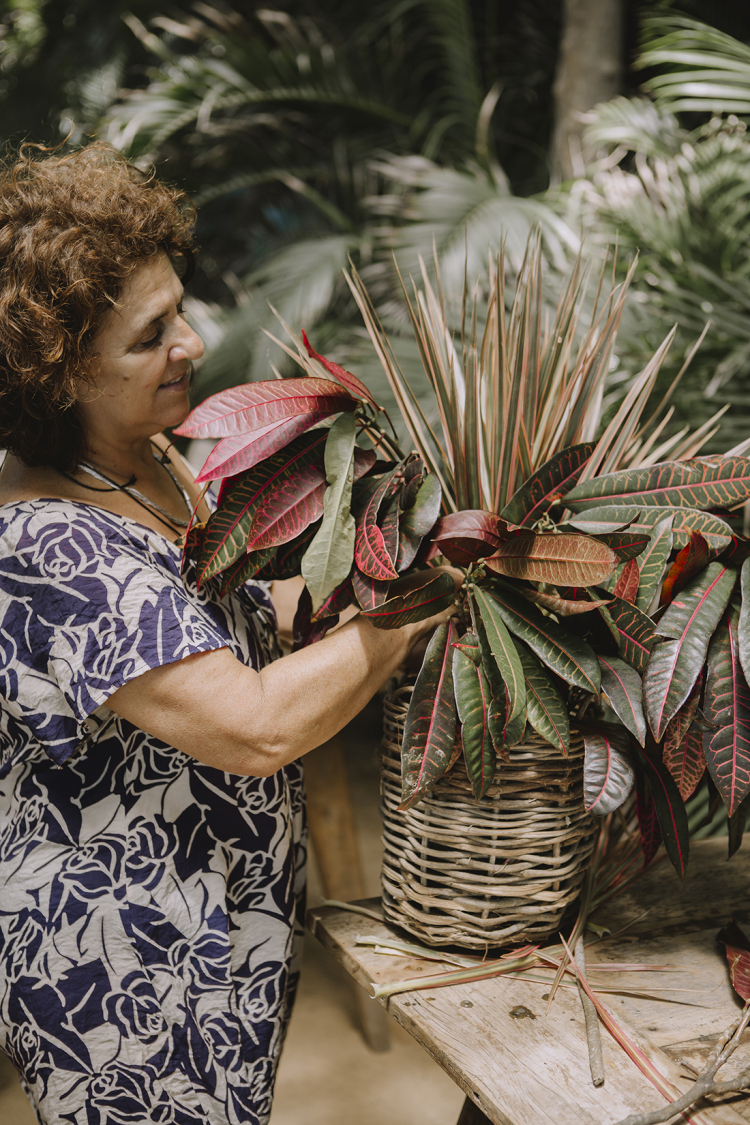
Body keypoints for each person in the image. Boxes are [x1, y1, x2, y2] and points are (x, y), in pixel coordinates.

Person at [0, 143, 454, 1125]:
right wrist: (423, 604)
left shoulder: (148, 457)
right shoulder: (46, 543)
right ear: (58, 376)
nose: (195, 341)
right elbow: (251, 726)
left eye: (181, 307)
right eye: (149, 335)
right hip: (119, 971)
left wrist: (357, 568)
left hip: (224, 935)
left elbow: (229, 620)